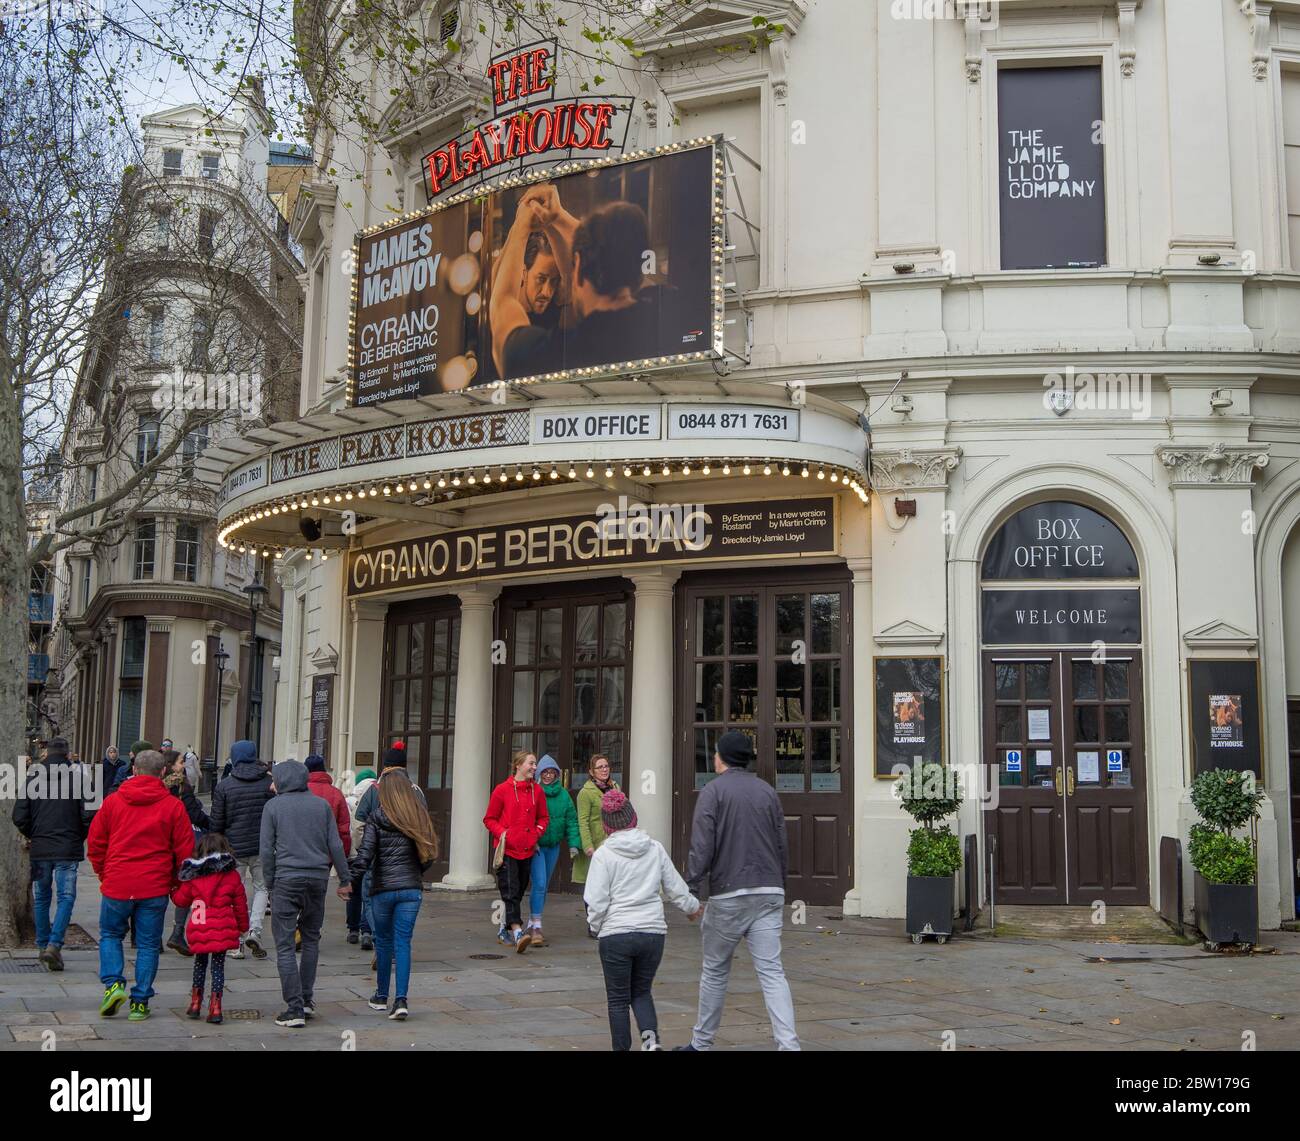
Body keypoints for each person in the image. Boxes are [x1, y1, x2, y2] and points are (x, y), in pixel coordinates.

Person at [679, 730, 799, 1052]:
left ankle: (701, 1044)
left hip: (730, 892)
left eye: (716, 753)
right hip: (769, 889)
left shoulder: (712, 792)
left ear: (721, 758)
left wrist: (690, 887)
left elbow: (702, 846)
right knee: (772, 972)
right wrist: (780, 883)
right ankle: (789, 1046)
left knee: (715, 971)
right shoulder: (767, 792)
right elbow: (781, 843)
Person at [492, 182, 664, 380]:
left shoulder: (557, 355)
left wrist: (521, 223)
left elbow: (502, 304)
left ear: (579, 265)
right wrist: (559, 217)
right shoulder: (667, 313)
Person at [585, 789, 700, 1051]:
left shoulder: (604, 855)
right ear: (632, 818)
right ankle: (651, 1044)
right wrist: (692, 907)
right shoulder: (654, 848)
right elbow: (675, 886)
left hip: (616, 934)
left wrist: (596, 927)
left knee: (617, 1000)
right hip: (652, 933)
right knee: (641, 992)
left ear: (607, 825)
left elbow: (597, 901)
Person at [87, 749, 194, 1022]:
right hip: (154, 885)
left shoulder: (113, 802)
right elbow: (184, 853)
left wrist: (104, 873)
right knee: (147, 945)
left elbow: (96, 843)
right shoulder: (173, 806)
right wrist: (174, 883)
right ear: (162, 772)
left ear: (134, 770)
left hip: (118, 882)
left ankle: (113, 984)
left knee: (111, 935)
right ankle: (140, 1002)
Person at [259, 759, 351, 1028]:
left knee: (285, 944)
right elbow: (335, 844)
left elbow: (266, 850)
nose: (272, 784)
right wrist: (344, 879)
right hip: (317, 878)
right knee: (310, 939)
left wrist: (270, 882)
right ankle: (307, 1000)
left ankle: (294, 1007)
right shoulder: (321, 806)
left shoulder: (273, 807)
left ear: (284, 780)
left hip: (286, 879)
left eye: (275, 778)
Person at [349, 762, 438, 1020]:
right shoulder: (418, 815)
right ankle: (401, 1000)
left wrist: (349, 882)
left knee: (384, 941)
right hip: (411, 889)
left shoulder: (376, 817)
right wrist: (416, 873)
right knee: (403, 942)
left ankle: (380, 995)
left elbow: (364, 857)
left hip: (382, 889)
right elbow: (429, 854)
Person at [14, 736, 95, 972]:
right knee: (66, 897)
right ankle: (54, 944)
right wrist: (78, 836)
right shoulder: (80, 779)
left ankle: (43, 945)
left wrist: (33, 833)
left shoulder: (33, 778)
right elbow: (89, 815)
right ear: (68, 755)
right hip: (67, 849)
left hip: (40, 848)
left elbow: (19, 816)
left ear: (47, 754)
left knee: (41, 898)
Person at [171, 832, 248, 1025]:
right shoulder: (231, 876)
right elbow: (240, 904)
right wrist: (243, 927)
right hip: (222, 926)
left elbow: (181, 900)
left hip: (199, 924)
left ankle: (196, 1003)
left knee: (200, 963)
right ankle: (215, 1007)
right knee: (218, 967)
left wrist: (173, 891)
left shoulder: (193, 876)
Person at [208, 738, 273, 959]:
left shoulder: (225, 785)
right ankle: (255, 930)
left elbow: (216, 822)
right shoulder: (268, 783)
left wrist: (215, 848)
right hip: (261, 846)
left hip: (232, 848)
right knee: (262, 888)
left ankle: (235, 941)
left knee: (233, 892)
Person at [483, 749, 547, 952]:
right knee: (510, 891)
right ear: (518, 765)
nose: (534, 767)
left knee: (517, 892)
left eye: (535, 764)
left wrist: (536, 833)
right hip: (507, 850)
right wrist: (504, 833)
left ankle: (503, 928)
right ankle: (519, 932)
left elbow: (543, 818)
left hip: (527, 849)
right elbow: (489, 819)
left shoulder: (537, 791)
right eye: (531, 763)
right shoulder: (502, 790)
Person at [526, 754, 579, 947]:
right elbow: (527, 817)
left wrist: (573, 843)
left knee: (544, 885)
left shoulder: (563, 795)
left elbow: (571, 820)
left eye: (552, 772)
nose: (548, 776)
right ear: (539, 773)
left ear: (557, 774)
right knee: (539, 883)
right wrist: (532, 839)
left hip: (553, 846)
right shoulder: (533, 791)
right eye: (545, 772)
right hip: (536, 847)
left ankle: (533, 920)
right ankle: (536, 928)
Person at [163, 748, 210, 956]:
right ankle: (179, 932)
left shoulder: (158, 784)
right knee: (187, 889)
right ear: (172, 765)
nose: (184, 765)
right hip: (182, 843)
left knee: (159, 891)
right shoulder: (182, 785)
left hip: (162, 843)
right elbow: (193, 814)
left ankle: (151, 937)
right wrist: (211, 823)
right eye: (181, 762)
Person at [572, 753, 617, 938]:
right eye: (600, 767)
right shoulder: (586, 793)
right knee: (593, 886)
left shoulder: (615, 787)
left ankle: (609, 922)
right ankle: (593, 924)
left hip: (612, 843)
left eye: (606, 766)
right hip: (595, 845)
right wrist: (588, 845)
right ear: (591, 772)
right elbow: (582, 821)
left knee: (610, 884)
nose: (604, 769)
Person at [344, 767, 377, 946]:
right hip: (372, 853)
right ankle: (366, 931)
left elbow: (353, 828)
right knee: (368, 894)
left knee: (353, 892)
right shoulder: (377, 795)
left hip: (353, 853)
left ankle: (353, 929)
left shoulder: (349, 799)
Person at [304, 755, 352, 858]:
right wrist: (344, 854)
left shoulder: (298, 791)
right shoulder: (336, 793)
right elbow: (343, 828)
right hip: (327, 852)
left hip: (299, 851)